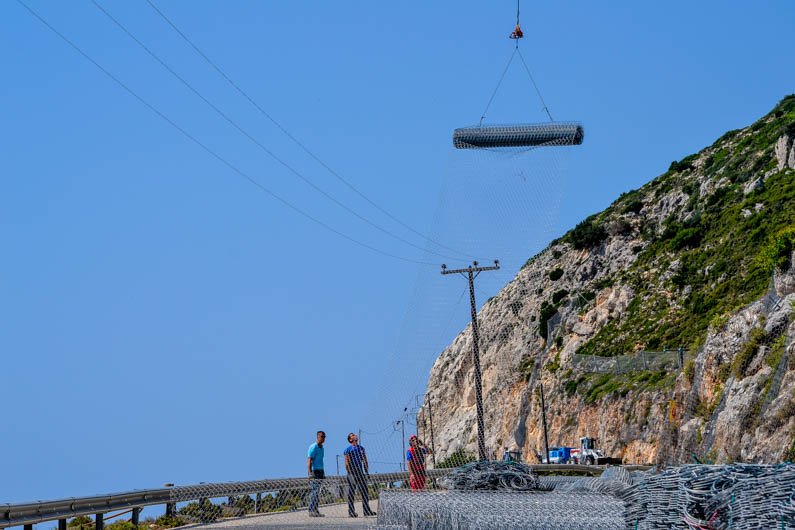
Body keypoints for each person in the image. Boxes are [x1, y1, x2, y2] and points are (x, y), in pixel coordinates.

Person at [343, 433, 376, 517]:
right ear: (350, 439)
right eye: (352, 435)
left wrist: (366, 471)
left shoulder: (361, 448)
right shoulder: (348, 450)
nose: (355, 435)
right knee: (352, 492)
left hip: (360, 472)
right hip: (352, 472)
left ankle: (366, 510)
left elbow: (365, 460)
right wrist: (350, 473)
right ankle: (351, 511)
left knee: (365, 491)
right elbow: (347, 463)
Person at [307, 430, 326, 517]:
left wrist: (323, 472)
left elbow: (321, 460)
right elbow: (309, 460)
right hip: (315, 471)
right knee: (314, 491)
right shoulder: (313, 447)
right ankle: (311, 510)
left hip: (320, 471)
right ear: (318, 437)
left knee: (317, 492)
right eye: (321, 436)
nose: (323, 438)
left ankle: (315, 510)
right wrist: (310, 473)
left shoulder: (322, 448)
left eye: (324, 437)